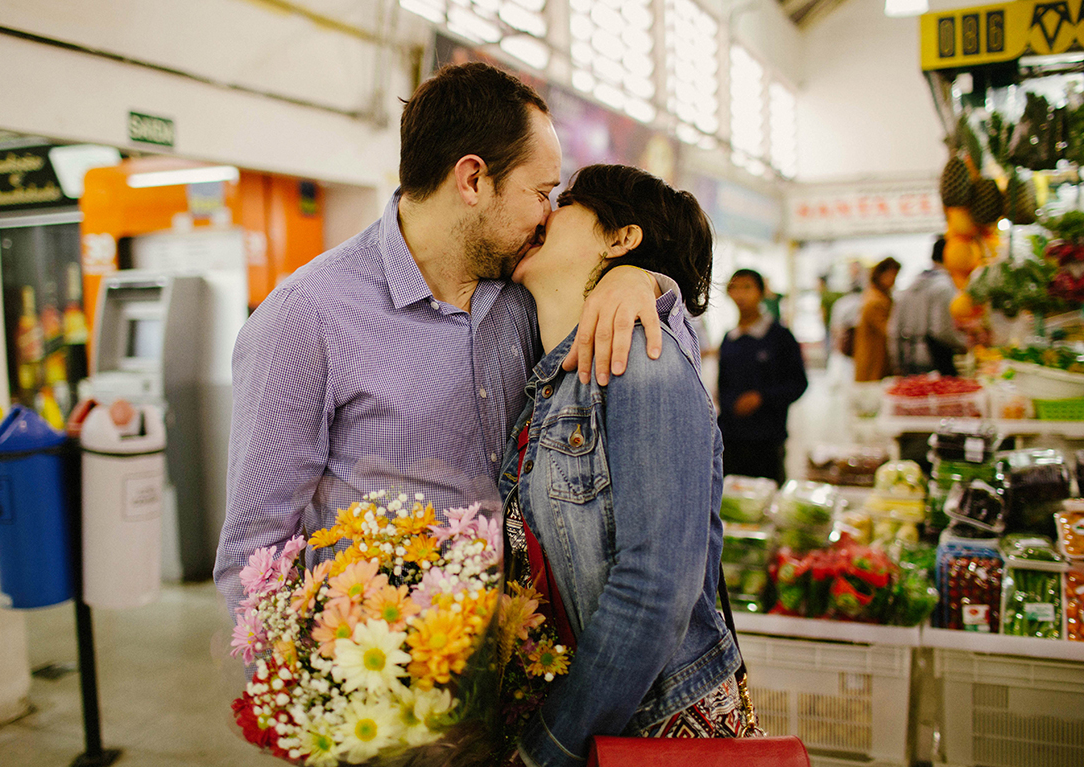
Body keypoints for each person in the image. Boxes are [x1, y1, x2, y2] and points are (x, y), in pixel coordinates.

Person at [214, 63, 691, 619]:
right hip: (389, 675)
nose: (547, 218)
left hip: (526, 666)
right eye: (541, 193)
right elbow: (254, 553)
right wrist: (307, 698)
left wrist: (643, 281)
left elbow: (666, 354)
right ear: (472, 181)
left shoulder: (523, 296)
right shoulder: (308, 316)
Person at [500, 165, 760, 767]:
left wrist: (546, 748)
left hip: (647, 723)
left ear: (620, 240)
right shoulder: (559, 377)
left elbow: (656, 592)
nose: (545, 212)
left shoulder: (643, 360)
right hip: (593, 712)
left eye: (564, 202)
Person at [717, 269, 808, 485]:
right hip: (732, 439)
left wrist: (762, 398)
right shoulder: (729, 339)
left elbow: (798, 383)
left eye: (747, 287)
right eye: (735, 287)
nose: (740, 294)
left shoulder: (780, 336)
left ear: (761, 292)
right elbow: (723, 388)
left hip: (767, 438)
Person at [888, 237, 964, 376]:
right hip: (936, 360)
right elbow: (942, 330)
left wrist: (897, 363)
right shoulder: (944, 287)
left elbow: (893, 330)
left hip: (909, 358)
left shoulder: (910, 286)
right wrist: (963, 344)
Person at [853, 256, 901, 382]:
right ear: (881, 274)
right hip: (874, 358)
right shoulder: (875, 301)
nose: (893, 281)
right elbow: (888, 330)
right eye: (892, 276)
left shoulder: (876, 296)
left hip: (875, 357)